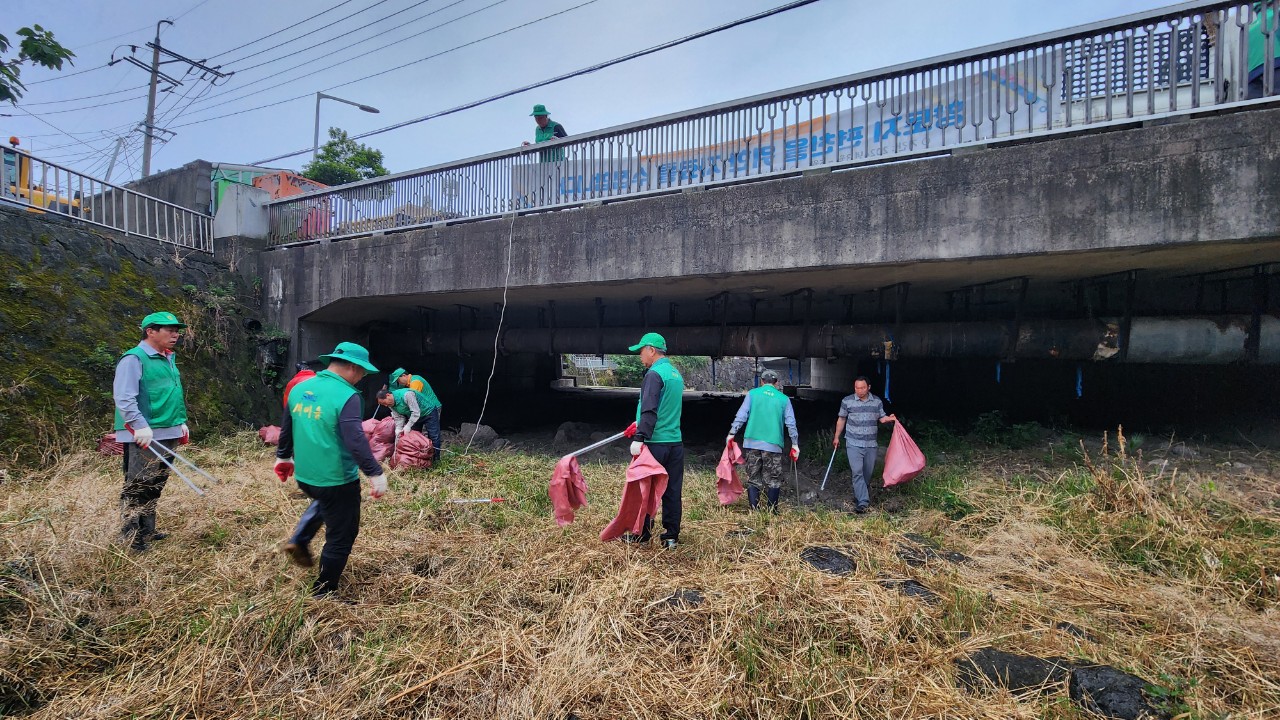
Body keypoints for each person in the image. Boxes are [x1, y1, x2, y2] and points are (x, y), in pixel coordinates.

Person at [274, 342, 388, 598]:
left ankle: (301, 539)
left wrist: (283, 457)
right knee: (342, 535)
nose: (361, 379)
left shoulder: (300, 388)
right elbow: (355, 439)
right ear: (351, 367)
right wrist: (375, 473)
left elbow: (287, 425)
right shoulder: (347, 396)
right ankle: (324, 591)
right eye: (361, 373)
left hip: (306, 476)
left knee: (325, 501)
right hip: (337, 479)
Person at [112, 311, 191, 553]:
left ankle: (148, 529)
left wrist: (180, 422)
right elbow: (124, 398)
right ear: (150, 331)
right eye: (169, 330)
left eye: (177, 330)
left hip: (168, 429)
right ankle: (131, 535)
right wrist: (139, 426)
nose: (175, 334)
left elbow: (171, 393)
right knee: (137, 484)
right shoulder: (134, 359)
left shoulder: (167, 358)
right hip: (145, 434)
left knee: (156, 483)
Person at [626, 332, 685, 548]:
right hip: (675, 443)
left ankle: (642, 534)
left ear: (651, 350)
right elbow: (667, 408)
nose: (640, 356)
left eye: (641, 351)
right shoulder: (675, 374)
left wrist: (640, 437)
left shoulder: (654, 374)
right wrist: (638, 423)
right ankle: (671, 536)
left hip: (655, 444)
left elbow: (650, 410)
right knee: (672, 489)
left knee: (646, 489)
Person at [727, 369, 799, 513]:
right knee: (773, 478)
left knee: (753, 477)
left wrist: (732, 433)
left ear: (761, 382)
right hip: (773, 444)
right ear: (777, 383)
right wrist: (795, 443)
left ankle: (754, 510)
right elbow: (791, 423)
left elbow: (742, 415)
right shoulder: (784, 399)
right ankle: (772, 511)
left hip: (752, 442)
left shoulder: (752, 394)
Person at [832, 376, 897, 514]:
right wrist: (837, 437)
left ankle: (860, 494)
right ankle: (863, 502)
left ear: (868, 387)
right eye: (856, 388)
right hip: (853, 443)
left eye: (862, 388)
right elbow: (841, 419)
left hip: (870, 444)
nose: (859, 390)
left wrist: (890, 419)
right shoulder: (847, 401)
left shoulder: (877, 402)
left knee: (867, 474)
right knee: (857, 472)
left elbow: (882, 417)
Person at [387, 367, 443, 463]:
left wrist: (406, 423)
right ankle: (419, 458)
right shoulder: (411, 382)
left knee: (429, 435)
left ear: (404, 375)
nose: (399, 383)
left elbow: (412, 402)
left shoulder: (415, 382)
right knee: (418, 434)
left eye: (398, 380)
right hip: (421, 410)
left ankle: (433, 459)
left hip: (431, 408)